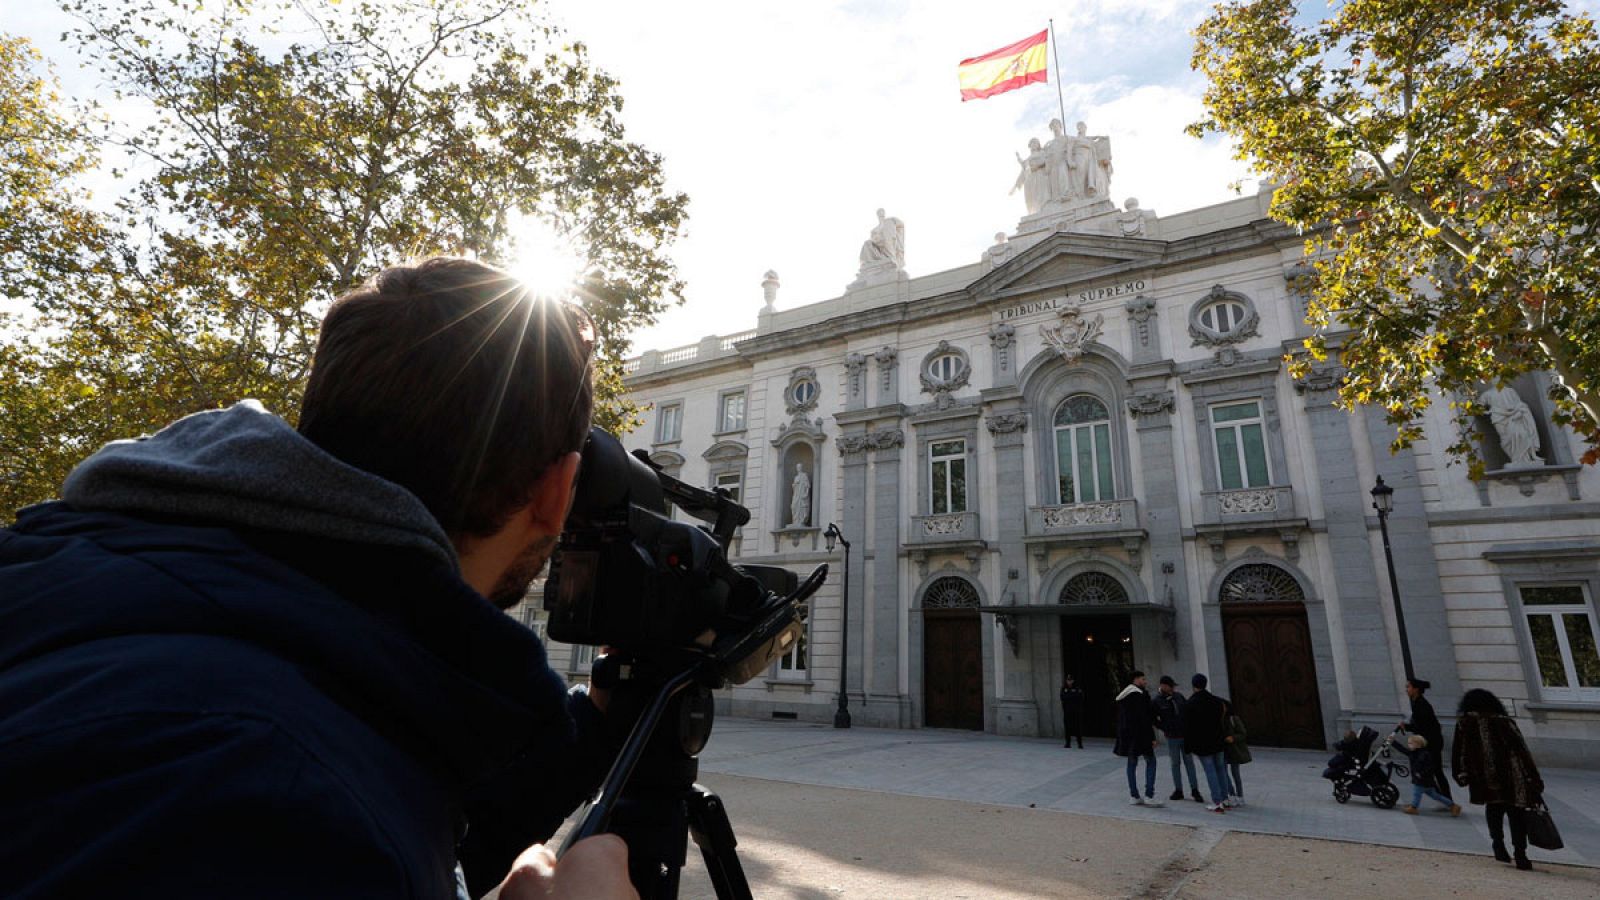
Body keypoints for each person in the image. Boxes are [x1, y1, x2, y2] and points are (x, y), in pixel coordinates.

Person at [0, 258, 633, 899]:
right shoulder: (286, 801)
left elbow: (394, 797)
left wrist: (597, 729)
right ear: (559, 491)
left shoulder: (101, 579)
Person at [1453, 689, 1546, 871]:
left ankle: (1498, 844)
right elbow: (1522, 751)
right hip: (1512, 775)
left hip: (1485, 776)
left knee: (1494, 809)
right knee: (1516, 814)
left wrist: (1461, 774)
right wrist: (1533, 777)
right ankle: (1521, 854)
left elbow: (1459, 751)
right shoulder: (1505, 722)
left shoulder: (1465, 723)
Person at [1113, 671, 1163, 806]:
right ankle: (1149, 795)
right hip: (1141, 736)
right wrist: (1152, 737)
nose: (1145, 681)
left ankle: (1134, 795)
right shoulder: (1139, 695)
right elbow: (1144, 718)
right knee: (1151, 761)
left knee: (1131, 764)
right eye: (1143, 679)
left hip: (1128, 737)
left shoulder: (1124, 696)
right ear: (1136, 679)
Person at [1183, 673, 1230, 813]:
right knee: (1221, 769)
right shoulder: (1216, 701)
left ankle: (1217, 801)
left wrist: (1188, 746)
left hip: (1203, 743)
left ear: (1193, 685)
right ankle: (1225, 797)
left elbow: (1188, 727)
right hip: (1218, 740)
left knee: (1210, 771)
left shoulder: (1190, 703)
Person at [1152, 675, 1203, 803]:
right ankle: (1178, 790)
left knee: (1189, 763)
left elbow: (1187, 711)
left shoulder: (1178, 696)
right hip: (1172, 737)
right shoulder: (1157, 701)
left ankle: (1195, 789)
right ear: (1163, 686)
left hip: (1185, 736)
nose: (1173, 688)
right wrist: (1164, 727)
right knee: (1175, 764)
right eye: (1171, 686)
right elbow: (1153, 719)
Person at [1400, 677, 1453, 802]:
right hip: (1430, 742)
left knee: (1435, 771)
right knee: (1434, 772)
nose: (1406, 690)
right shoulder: (1418, 703)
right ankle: (1445, 798)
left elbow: (1421, 726)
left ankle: (1446, 799)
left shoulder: (1421, 705)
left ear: (1416, 689)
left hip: (1431, 743)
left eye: (1408, 687)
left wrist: (1406, 727)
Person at [1396, 735, 1462, 816]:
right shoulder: (1414, 753)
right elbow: (1403, 750)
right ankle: (1453, 806)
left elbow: (1430, 767)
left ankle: (1413, 807)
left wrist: (1421, 774)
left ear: (1418, 744)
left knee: (1417, 793)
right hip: (1427, 781)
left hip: (1422, 780)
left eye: (1410, 743)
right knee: (1435, 796)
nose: (1409, 745)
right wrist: (1393, 742)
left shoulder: (1424, 754)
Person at [1221, 698, 1252, 808]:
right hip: (1223, 749)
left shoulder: (1234, 719)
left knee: (1235, 773)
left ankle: (1240, 795)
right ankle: (1232, 794)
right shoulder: (1219, 719)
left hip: (1234, 750)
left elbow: (1243, 733)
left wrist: (1233, 738)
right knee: (1224, 772)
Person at [1060, 674, 1085, 749]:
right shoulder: (1064, 688)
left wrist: (1069, 696)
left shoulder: (1077, 688)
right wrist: (1072, 695)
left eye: (1070, 680)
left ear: (1073, 681)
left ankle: (1079, 743)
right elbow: (1062, 697)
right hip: (1067, 711)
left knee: (1078, 727)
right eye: (1068, 680)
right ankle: (1068, 743)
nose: (1069, 682)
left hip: (1076, 711)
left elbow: (1080, 697)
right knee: (1067, 727)